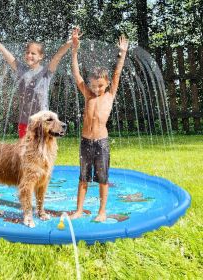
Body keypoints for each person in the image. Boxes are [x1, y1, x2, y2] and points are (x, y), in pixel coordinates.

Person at [71, 28, 129, 222]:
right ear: (90, 84)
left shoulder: (110, 95)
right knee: (83, 178)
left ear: (106, 85)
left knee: (103, 179)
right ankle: (79, 210)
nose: (97, 89)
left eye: (100, 86)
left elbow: (117, 73)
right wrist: (75, 50)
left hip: (101, 143)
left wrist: (122, 54)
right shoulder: (88, 94)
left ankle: (101, 212)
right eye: (94, 85)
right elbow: (77, 74)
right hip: (85, 142)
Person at [0, 25, 72, 138]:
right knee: (24, 152)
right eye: (27, 53)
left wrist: (70, 42)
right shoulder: (20, 69)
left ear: (41, 56)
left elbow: (58, 56)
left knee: (42, 152)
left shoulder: (46, 72)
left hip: (44, 123)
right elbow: (3, 50)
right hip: (25, 122)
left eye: (33, 53)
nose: (29, 55)